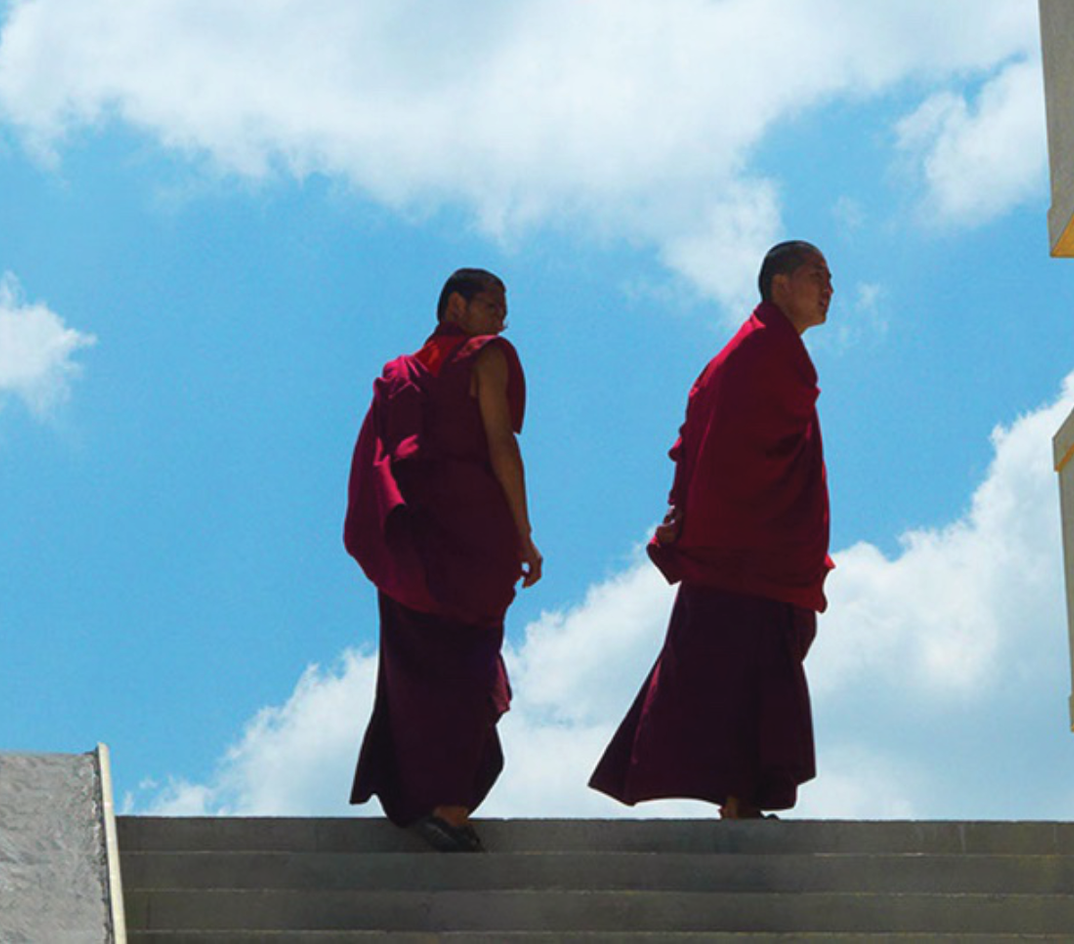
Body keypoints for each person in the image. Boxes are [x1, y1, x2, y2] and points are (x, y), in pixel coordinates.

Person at [589, 240, 832, 818]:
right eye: (816, 275)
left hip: (751, 546)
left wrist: (684, 514)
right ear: (779, 284)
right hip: (746, 547)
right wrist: (696, 522)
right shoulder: (757, 352)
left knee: (740, 672)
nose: (829, 289)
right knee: (737, 674)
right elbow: (718, 450)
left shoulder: (763, 350)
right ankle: (739, 799)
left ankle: (739, 799)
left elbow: (697, 439)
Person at [344, 268, 543, 852]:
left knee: (419, 669)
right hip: (471, 533)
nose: (502, 319)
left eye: (505, 308)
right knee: (464, 670)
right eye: (490, 305)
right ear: (455, 305)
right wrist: (524, 532)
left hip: (416, 539)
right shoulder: (486, 357)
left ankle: (425, 799)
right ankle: (450, 809)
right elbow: (502, 443)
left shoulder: (399, 375)